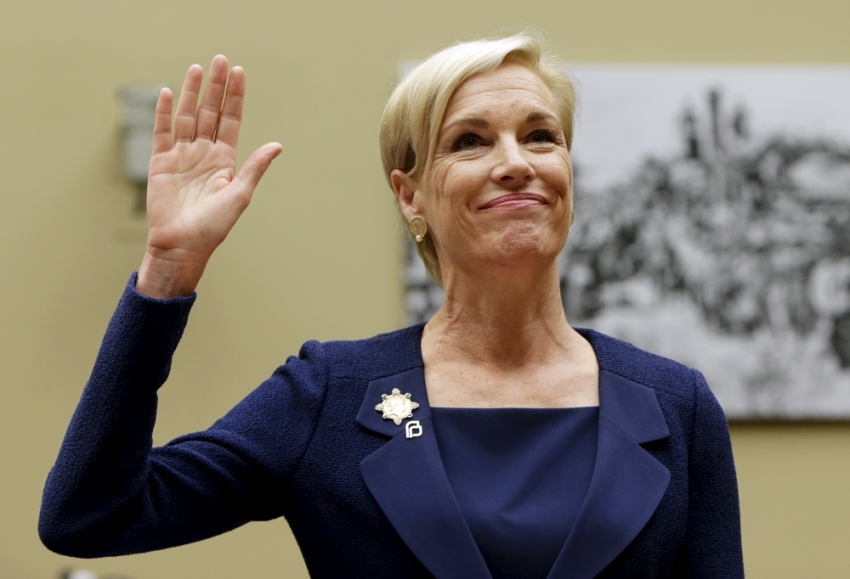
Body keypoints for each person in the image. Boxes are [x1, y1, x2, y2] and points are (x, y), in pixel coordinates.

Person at [39, 32, 743, 578]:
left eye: (540, 135)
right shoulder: (327, 394)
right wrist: (167, 270)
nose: (516, 161)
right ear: (410, 196)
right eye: (470, 140)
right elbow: (89, 515)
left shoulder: (676, 405)